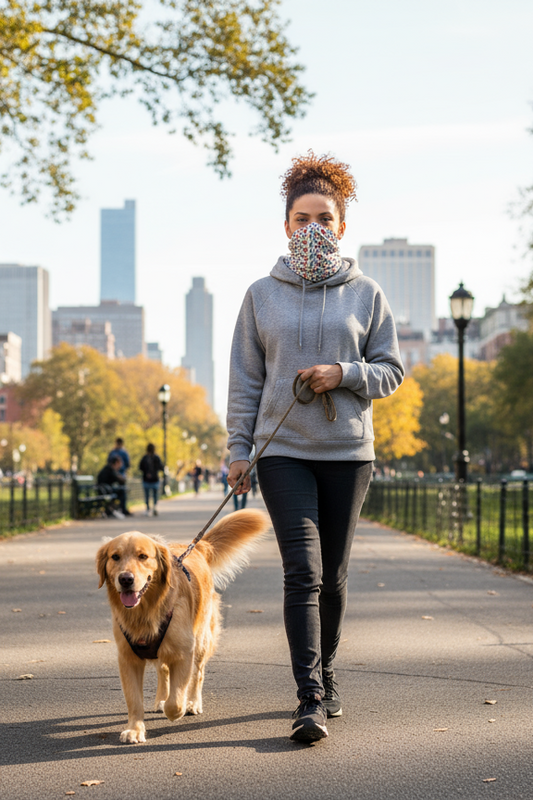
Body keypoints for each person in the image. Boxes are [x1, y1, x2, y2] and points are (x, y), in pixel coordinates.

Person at [226, 152, 404, 743]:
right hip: (282, 452)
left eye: (324, 218)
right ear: (286, 225)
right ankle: (307, 697)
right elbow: (246, 380)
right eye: (301, 218)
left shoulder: (367, 294)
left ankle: (327, 672)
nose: (312, 229)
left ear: (342, 225)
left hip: (349, 452)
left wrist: (344, 372)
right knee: (302, 571)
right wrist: (237, 450)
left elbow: (391, 372)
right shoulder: (260, 295)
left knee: (335, 575)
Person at [108, 437, 132, 516]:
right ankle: (121, 508)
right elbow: (128, 464)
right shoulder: (123, 453)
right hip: (118, 475)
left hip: (115, 475)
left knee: (119, 491)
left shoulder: (113, 452)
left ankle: (117, 508)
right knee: (121, 491)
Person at [139, 443, 164, 516]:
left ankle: (148, 508)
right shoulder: (156, 457)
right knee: (154, 494)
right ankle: (154, 507)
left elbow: (140, 467)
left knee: (147, 495)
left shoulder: (145, 458)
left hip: (148, 479)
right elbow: (161, 467)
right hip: (154, 479)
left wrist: (147, 473)